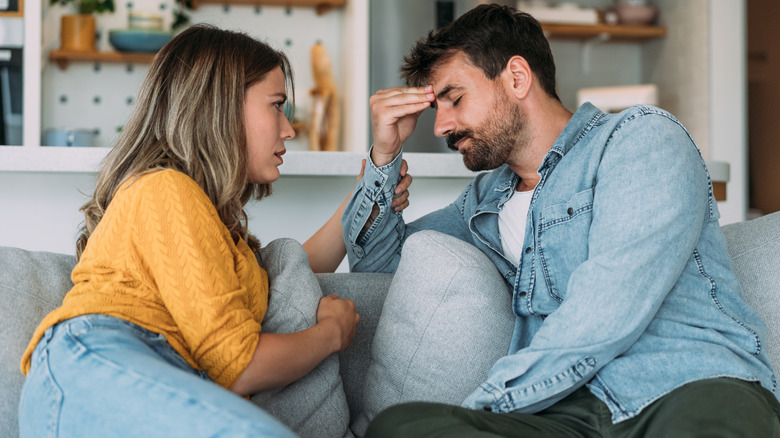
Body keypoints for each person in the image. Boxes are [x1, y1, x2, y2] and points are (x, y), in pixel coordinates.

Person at [342, 4, 780, 437]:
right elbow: (381, 268)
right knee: (400, 427)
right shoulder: (483, 201)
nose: (440, 126)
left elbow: (607, 305)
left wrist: (490, 407)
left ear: (517, 77)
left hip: (684, 385)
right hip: (570, 411)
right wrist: (384, 157)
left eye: (455, 99)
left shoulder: (640, 138)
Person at [18, 24, 411, 437]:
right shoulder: (163, 189)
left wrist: (376, 178)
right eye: (276, 105)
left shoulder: (218, 233)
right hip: (99, 362)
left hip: (141, 374)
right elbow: (239, 366)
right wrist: (331, 333)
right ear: (220, 107)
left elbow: (293, 268)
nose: (288, 129)